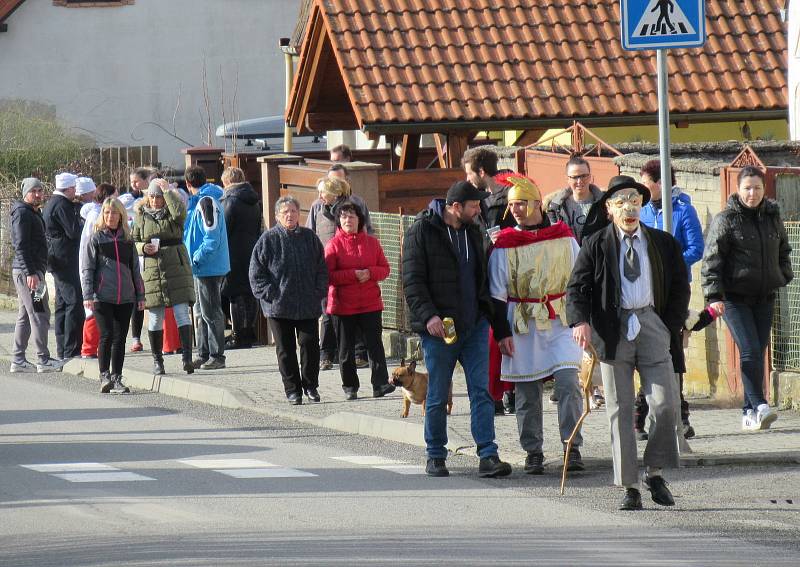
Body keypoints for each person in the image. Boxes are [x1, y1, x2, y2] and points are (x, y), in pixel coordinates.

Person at [567, 175, 690, 511]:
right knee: (620, 410)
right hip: (613, 328)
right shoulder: (596, 244)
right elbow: (577, 287)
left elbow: (681, 286)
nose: (628, 207)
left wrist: (670, 325)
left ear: (641, 205)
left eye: (634, 200)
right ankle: (630, 485)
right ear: (609, 209)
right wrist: (580, 322)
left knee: (665, 405)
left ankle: (654, 472)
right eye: (620, 202)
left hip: (652, 323)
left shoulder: (663, 243)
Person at [403, 180, 512, 479]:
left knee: (482, 391)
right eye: (474, 206)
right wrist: (429, 317)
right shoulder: (421, 232)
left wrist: (500, 330)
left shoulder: (473, 233)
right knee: (437, 394)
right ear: (455, 207)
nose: (478, 211)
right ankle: (435, 454)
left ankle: (488, 454)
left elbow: (485, 285)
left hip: (474, 326)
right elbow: (412, 282)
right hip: (439, 330)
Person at [488, 175, 585, 475]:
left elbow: (579, 280)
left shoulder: (564, 238)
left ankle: (572, 444)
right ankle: (533, 450)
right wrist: (502, 333)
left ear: (536, 203)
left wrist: (583, 319)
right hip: (523, 324)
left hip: (559, 321)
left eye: (521, 203)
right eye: (512, 204)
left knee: (569, 384)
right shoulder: (505, 245)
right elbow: (496, 292)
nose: (515, 209)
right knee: (527, 392)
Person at [702, 165, 793, 431]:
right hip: (733, 298)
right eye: (747, 188)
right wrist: (714, 296)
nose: (752, 193)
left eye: (757, 187)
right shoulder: (726, 219)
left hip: (764, 296)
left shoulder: (772, 216)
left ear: (764, 189)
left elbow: (784, 249)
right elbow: (711, 261)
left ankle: (748, 412)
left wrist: (781, 275)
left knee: (756, 352)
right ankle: (761, 404)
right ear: (738, 190)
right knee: (750, 350)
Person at [635, 160, 704, 440]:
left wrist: (669, 264)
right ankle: (639, 417)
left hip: (674, 293)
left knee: (672, 349)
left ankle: (681, 415)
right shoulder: (640, 212)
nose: (641, 189)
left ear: (661, 182)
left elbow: (696, 248)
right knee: (645, 351)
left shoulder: (684, 210)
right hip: (646, 293)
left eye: (645, 183)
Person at [249, 196, 328, 405]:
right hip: (279, 307)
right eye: (285, 212)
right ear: (277, 217)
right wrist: (271, 294)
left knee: (310, 345)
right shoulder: (268, 240)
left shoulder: (310, 238)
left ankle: (310, 385)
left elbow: (322, 268)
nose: (290, 216)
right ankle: (292, 389)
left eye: (293, 211)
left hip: (307, 304)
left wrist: (318, 291)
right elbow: (256, 274)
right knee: (285, 350)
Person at [324, 201, 395, 400]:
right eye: (344, 216)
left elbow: (385, 269)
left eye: (352, 216)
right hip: (343, 305)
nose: (348, 220)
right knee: (345, 349)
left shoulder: (372, 243)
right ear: (339, 220)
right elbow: (328, 275)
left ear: (359, 219)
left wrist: (370, 273)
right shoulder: (333, 245)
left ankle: (380, 383)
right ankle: (350, 386)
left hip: (370, 303)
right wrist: (353, 275)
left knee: (375, 346)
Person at [306, 175, 372, 370]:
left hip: (350, 265)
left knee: (354, 312)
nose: (319, 196)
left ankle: (359, 353)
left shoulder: (350, 210)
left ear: (334, 194)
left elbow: (363, 234)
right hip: (326, 266)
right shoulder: (319, 210)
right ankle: (326, 354)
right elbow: (315, 236)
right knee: (327, 311)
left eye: (323, 192)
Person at [81, 198, 145, 393]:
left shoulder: (128, 239)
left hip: (126, 297)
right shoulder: (96, 238)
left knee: (120, 338)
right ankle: (104, 376)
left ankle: (117, 377)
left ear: (121, 215)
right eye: (107, 212)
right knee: (107, 334)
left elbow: (135, 269)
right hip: (102, 296)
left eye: (114, 213)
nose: (110, 216)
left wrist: (140, 295)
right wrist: (88, 294)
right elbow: (87, 268)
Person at [132, 179, 196, 375]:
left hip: (176, 266)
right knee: (155, 317)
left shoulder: (172, 213)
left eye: (158, 197)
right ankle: (157, 361)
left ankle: (187, 358)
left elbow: (180, 213)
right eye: (152, 196)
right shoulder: (141, 217)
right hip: (153, 268)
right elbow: (133, 241)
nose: (155, 200)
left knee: (181, 313)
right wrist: (143, 248)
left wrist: (168, 192)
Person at [10, 178, 63, 373]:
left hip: (31, 272)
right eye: (35, 191)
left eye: (41, 190)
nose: (39, 194)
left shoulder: (32, 212)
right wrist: (31, 272)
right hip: (29, 274)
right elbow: (20, 245)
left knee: (25, 314)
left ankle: (18, 359)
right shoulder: (23, 213)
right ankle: (43, 359)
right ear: (26, 193)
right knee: (40, 313)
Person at [183, 165, 230, 371]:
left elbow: (211, 237)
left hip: (207, 266)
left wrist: (196, 257)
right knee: (201, 312)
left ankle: (217, 355)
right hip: (202, 266)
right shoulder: (204, 200)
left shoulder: (206, 202)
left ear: (187, 183)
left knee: (211, 312)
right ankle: (203, 353)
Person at [43, 172, 85, 360]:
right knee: (73, 302)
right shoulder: (62, 205)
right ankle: (71, 349)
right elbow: (74, 231)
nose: (75, 191)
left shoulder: (52, 203)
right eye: (74, 188)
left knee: (62, 303)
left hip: (56, 258)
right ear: (68, 188)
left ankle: (62, 348)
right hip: (66, 259)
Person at [220, 166, 262, 349]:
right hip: (251, 250)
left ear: (228, 182)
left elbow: (224, 229)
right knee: (250, 293)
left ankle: (238, 334)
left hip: (233, 252)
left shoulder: (230, 201)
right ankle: (249, 333)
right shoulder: (254, 200)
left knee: (233, 293)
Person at [79, 183, 118, 359]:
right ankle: (88, 348)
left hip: (101, 267)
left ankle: (92, 347)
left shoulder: (97, 213)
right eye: (115, 196)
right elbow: (90, 245)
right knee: (94, 307)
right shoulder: (96, 215)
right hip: (94, 266)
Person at [546, 156, 604, 245]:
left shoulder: (604, 204)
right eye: (575, 177)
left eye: (584, 176)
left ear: (589, 177)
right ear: (567, 179)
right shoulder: (555, 208)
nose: (579, 181)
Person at [127, 167, 154, 352]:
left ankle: (161, 339)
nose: (133, 185)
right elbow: (133, 238)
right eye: (132, 181)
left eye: (136, 181)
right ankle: (136, 338)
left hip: (156, 259)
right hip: (140, 259)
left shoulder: (160, 204)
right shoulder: (132, 202)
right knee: (139, 299)